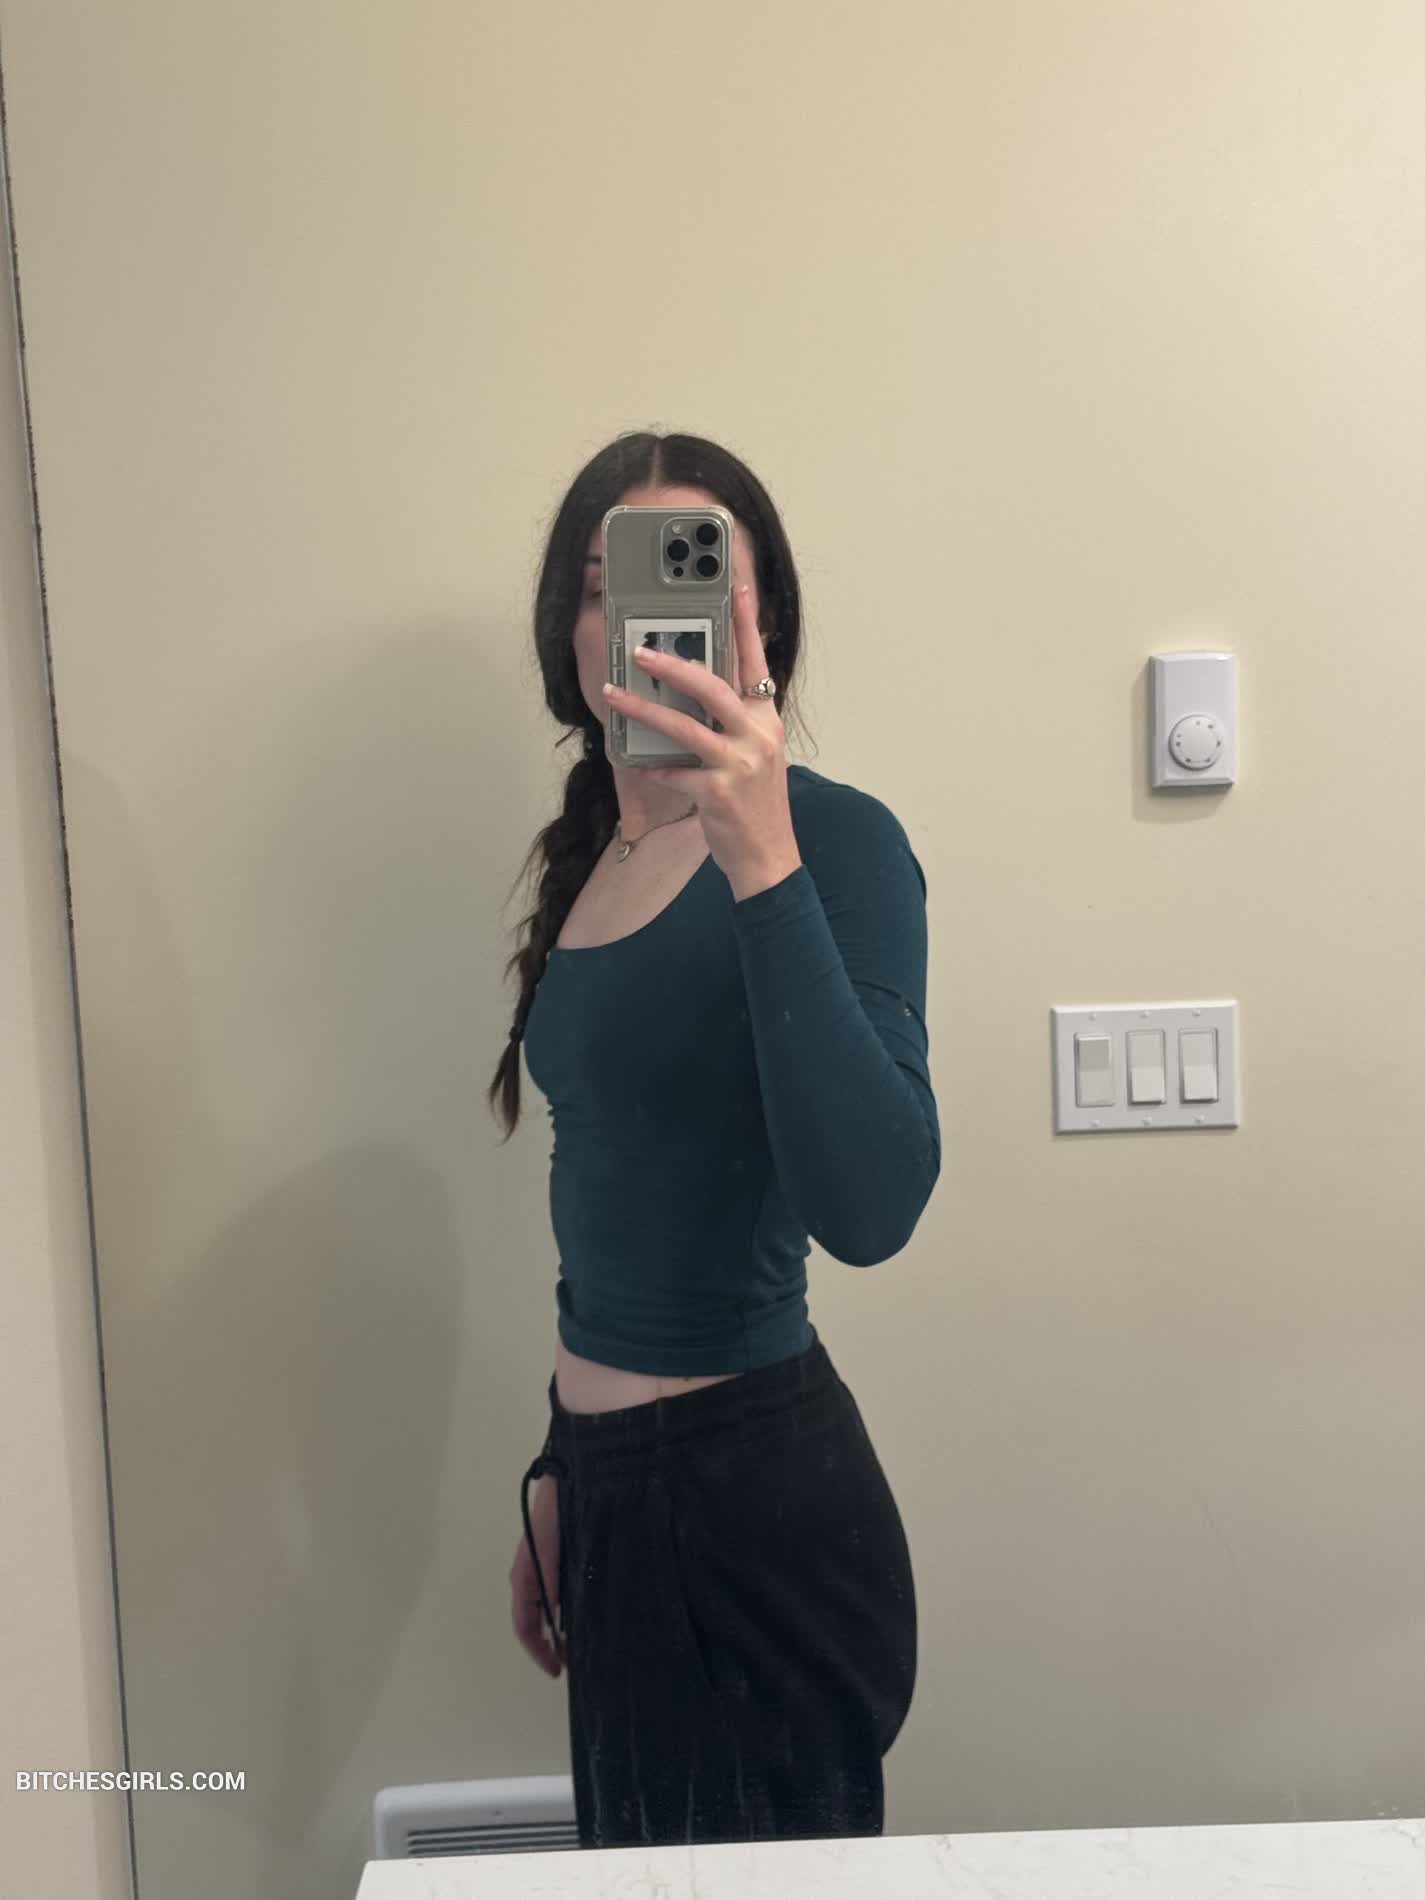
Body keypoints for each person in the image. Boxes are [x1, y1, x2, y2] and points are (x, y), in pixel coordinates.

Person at [487, 430, 940, 1849]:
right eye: (600, 584)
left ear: (762, 621)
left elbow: (872, 1205)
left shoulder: (836, 842)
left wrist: (759, 852)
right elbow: (607, 1195)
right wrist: (561, 1462)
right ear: (567, 637)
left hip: (750, 1508)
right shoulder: (593, 856)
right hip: (614, 1499)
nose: (636, 618)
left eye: (688, 577)